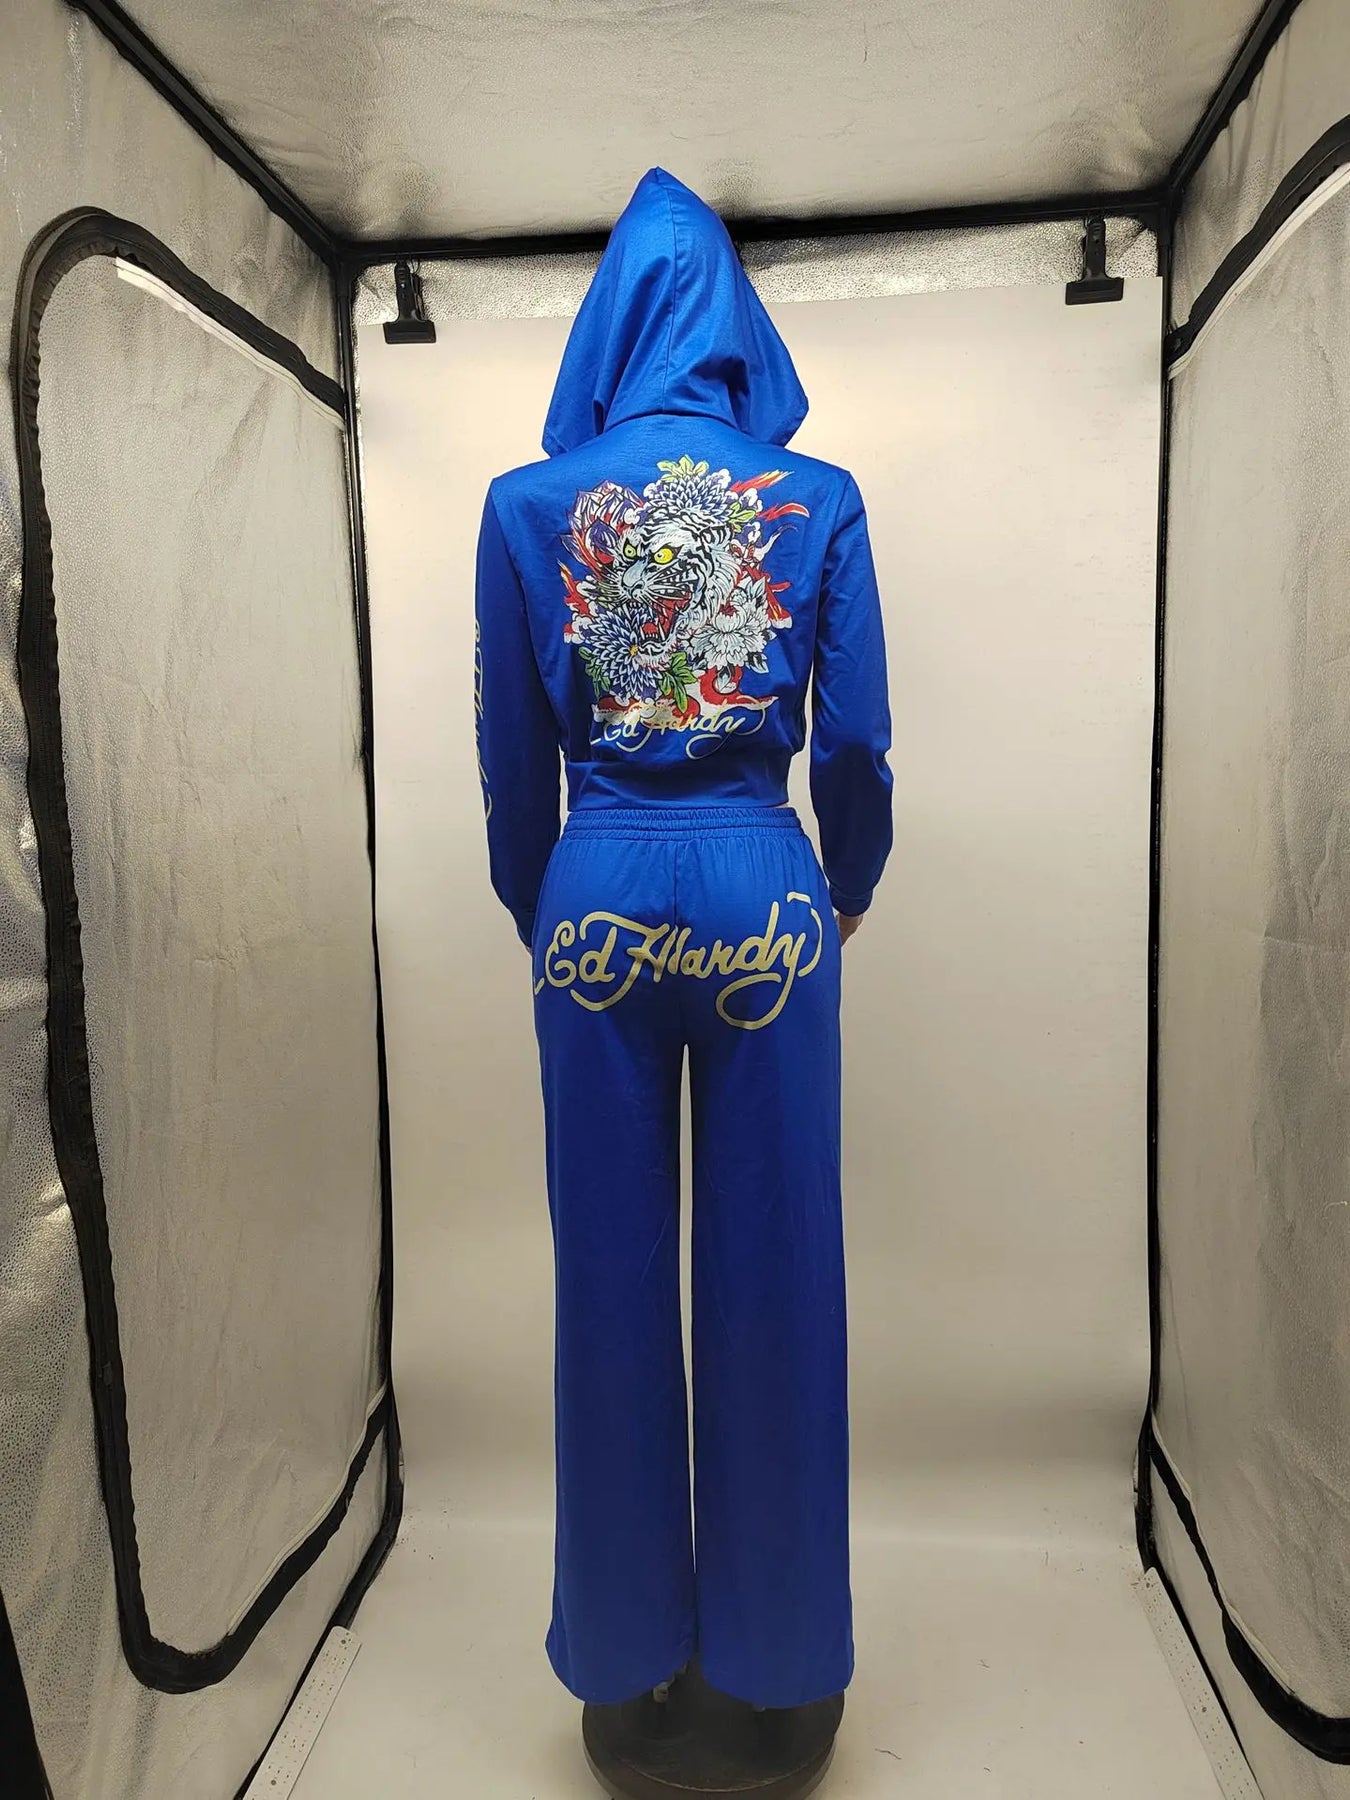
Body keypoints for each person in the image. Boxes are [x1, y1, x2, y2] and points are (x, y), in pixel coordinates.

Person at [474, 166, 892, 1714]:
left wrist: (547, 903)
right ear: (733, 326)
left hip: (597, 894)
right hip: (765, 896)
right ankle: (780, 1666)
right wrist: (848, 878)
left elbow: (510, 758)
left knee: (608, 1285)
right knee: (779, 1278)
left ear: (606, 327)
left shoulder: (526, 506)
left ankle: (628, 1661)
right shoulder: (817, 497)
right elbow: (856, 738)